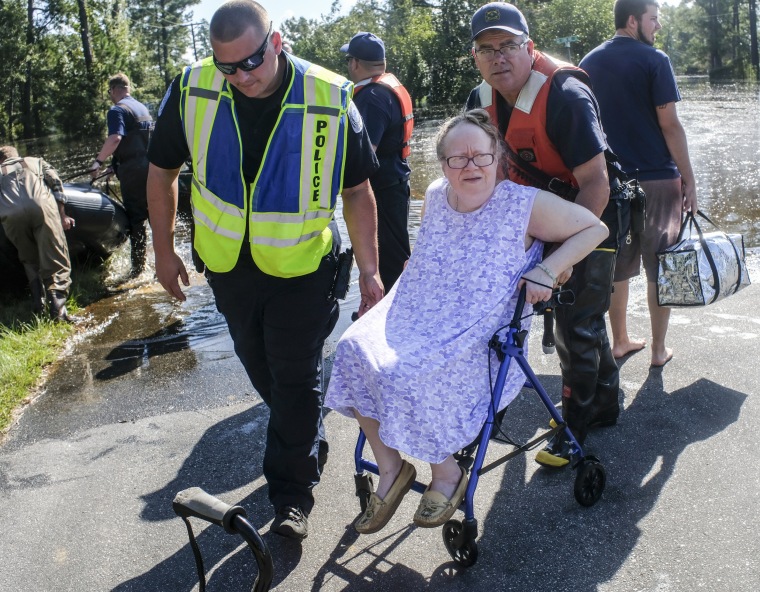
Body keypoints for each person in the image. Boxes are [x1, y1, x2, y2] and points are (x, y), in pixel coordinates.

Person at [146, 0, 383, 540]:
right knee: (262, 366)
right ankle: (307, 437)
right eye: (227, 66)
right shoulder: (192, 88)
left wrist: (370, 271)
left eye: (250, 63)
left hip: (304, 266)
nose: (240, 77)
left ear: (276, 42)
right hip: (230, 267)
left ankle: (291, 496)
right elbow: (162, 174)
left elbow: (358, 191)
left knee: (295, 374)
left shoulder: (330, 96)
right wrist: (164, 251)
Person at [325, 110, 608, 534]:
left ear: (498, 158)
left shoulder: (522, 205)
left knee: (405, 371)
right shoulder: (438, 194)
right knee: (351, 348)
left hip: (479, 326)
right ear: (443, 164)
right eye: (458, 158)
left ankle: (446, 473)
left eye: (481, 156)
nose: (471, 166)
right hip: (418, 310)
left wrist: (549, 269)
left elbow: (595, 228)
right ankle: (391, 468)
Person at [465, 2, 631, 468]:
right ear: (475, 56)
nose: (499, 57)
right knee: (584, 316)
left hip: (593, 210)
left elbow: (596, 182)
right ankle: (605, 401)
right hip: (541, 214)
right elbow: (477, 173)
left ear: (529, 47)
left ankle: (575, 425)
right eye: (486, 49)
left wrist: (565, 260)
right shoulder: (479, 101)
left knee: (572, 320)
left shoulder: (566, 94)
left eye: (509, 46)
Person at [580, 0, 697, 367]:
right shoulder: (655, 60)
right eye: (654, 18)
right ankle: (659, 350)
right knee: (660, 265)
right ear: (633, 21)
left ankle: (620, 341)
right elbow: (671, 125)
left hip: (612, 182)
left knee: (618, 264)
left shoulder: (587, 63)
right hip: (658, 179)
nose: (658, 25)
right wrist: (689, 179)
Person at [340, 32, 414, 290]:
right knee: (395, 252)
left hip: (380, 190)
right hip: (395, 180)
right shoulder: (387, 86)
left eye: (349, 60)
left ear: (355, 63)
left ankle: (394, 312)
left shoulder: (371, 98)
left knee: (389, 260)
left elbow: (365, 153)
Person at [0, 146, 75, 321]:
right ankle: (58, 311)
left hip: (11, 214)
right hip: (41, 207)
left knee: (28, 258)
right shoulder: (36, 162)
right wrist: (62, 214)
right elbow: (56, 183)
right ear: (17, 155)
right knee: (56, 257)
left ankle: (38, 304)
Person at [90, 73, 153, 277]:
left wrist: (98, 162)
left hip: (134, 173)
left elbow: (116, 138)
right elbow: (137, 141)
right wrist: (115, 166)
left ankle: (137, 271)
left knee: (136, 220)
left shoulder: (116, 110)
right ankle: (163, 265)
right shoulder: (142, 108)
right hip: (152, 168)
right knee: (155, 216)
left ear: (114, 90)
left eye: (109, 93)